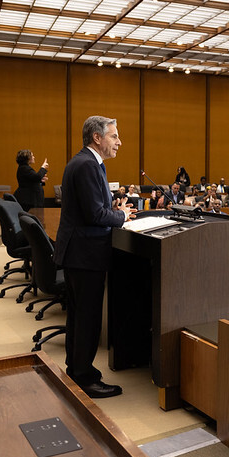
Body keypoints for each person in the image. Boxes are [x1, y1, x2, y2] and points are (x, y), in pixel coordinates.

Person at [54, 116, 133, 399]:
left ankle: (76, 370)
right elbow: (95, 215)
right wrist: (122, 215)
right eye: (114, 136)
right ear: (97, 138)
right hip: (85, 253)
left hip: (79, 252)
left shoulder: (85, 162)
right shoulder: (88, 165)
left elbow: (94, 208)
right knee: (86, 318)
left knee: (79, 316)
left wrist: (114, 210)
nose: (119, 142)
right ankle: (85, 379)